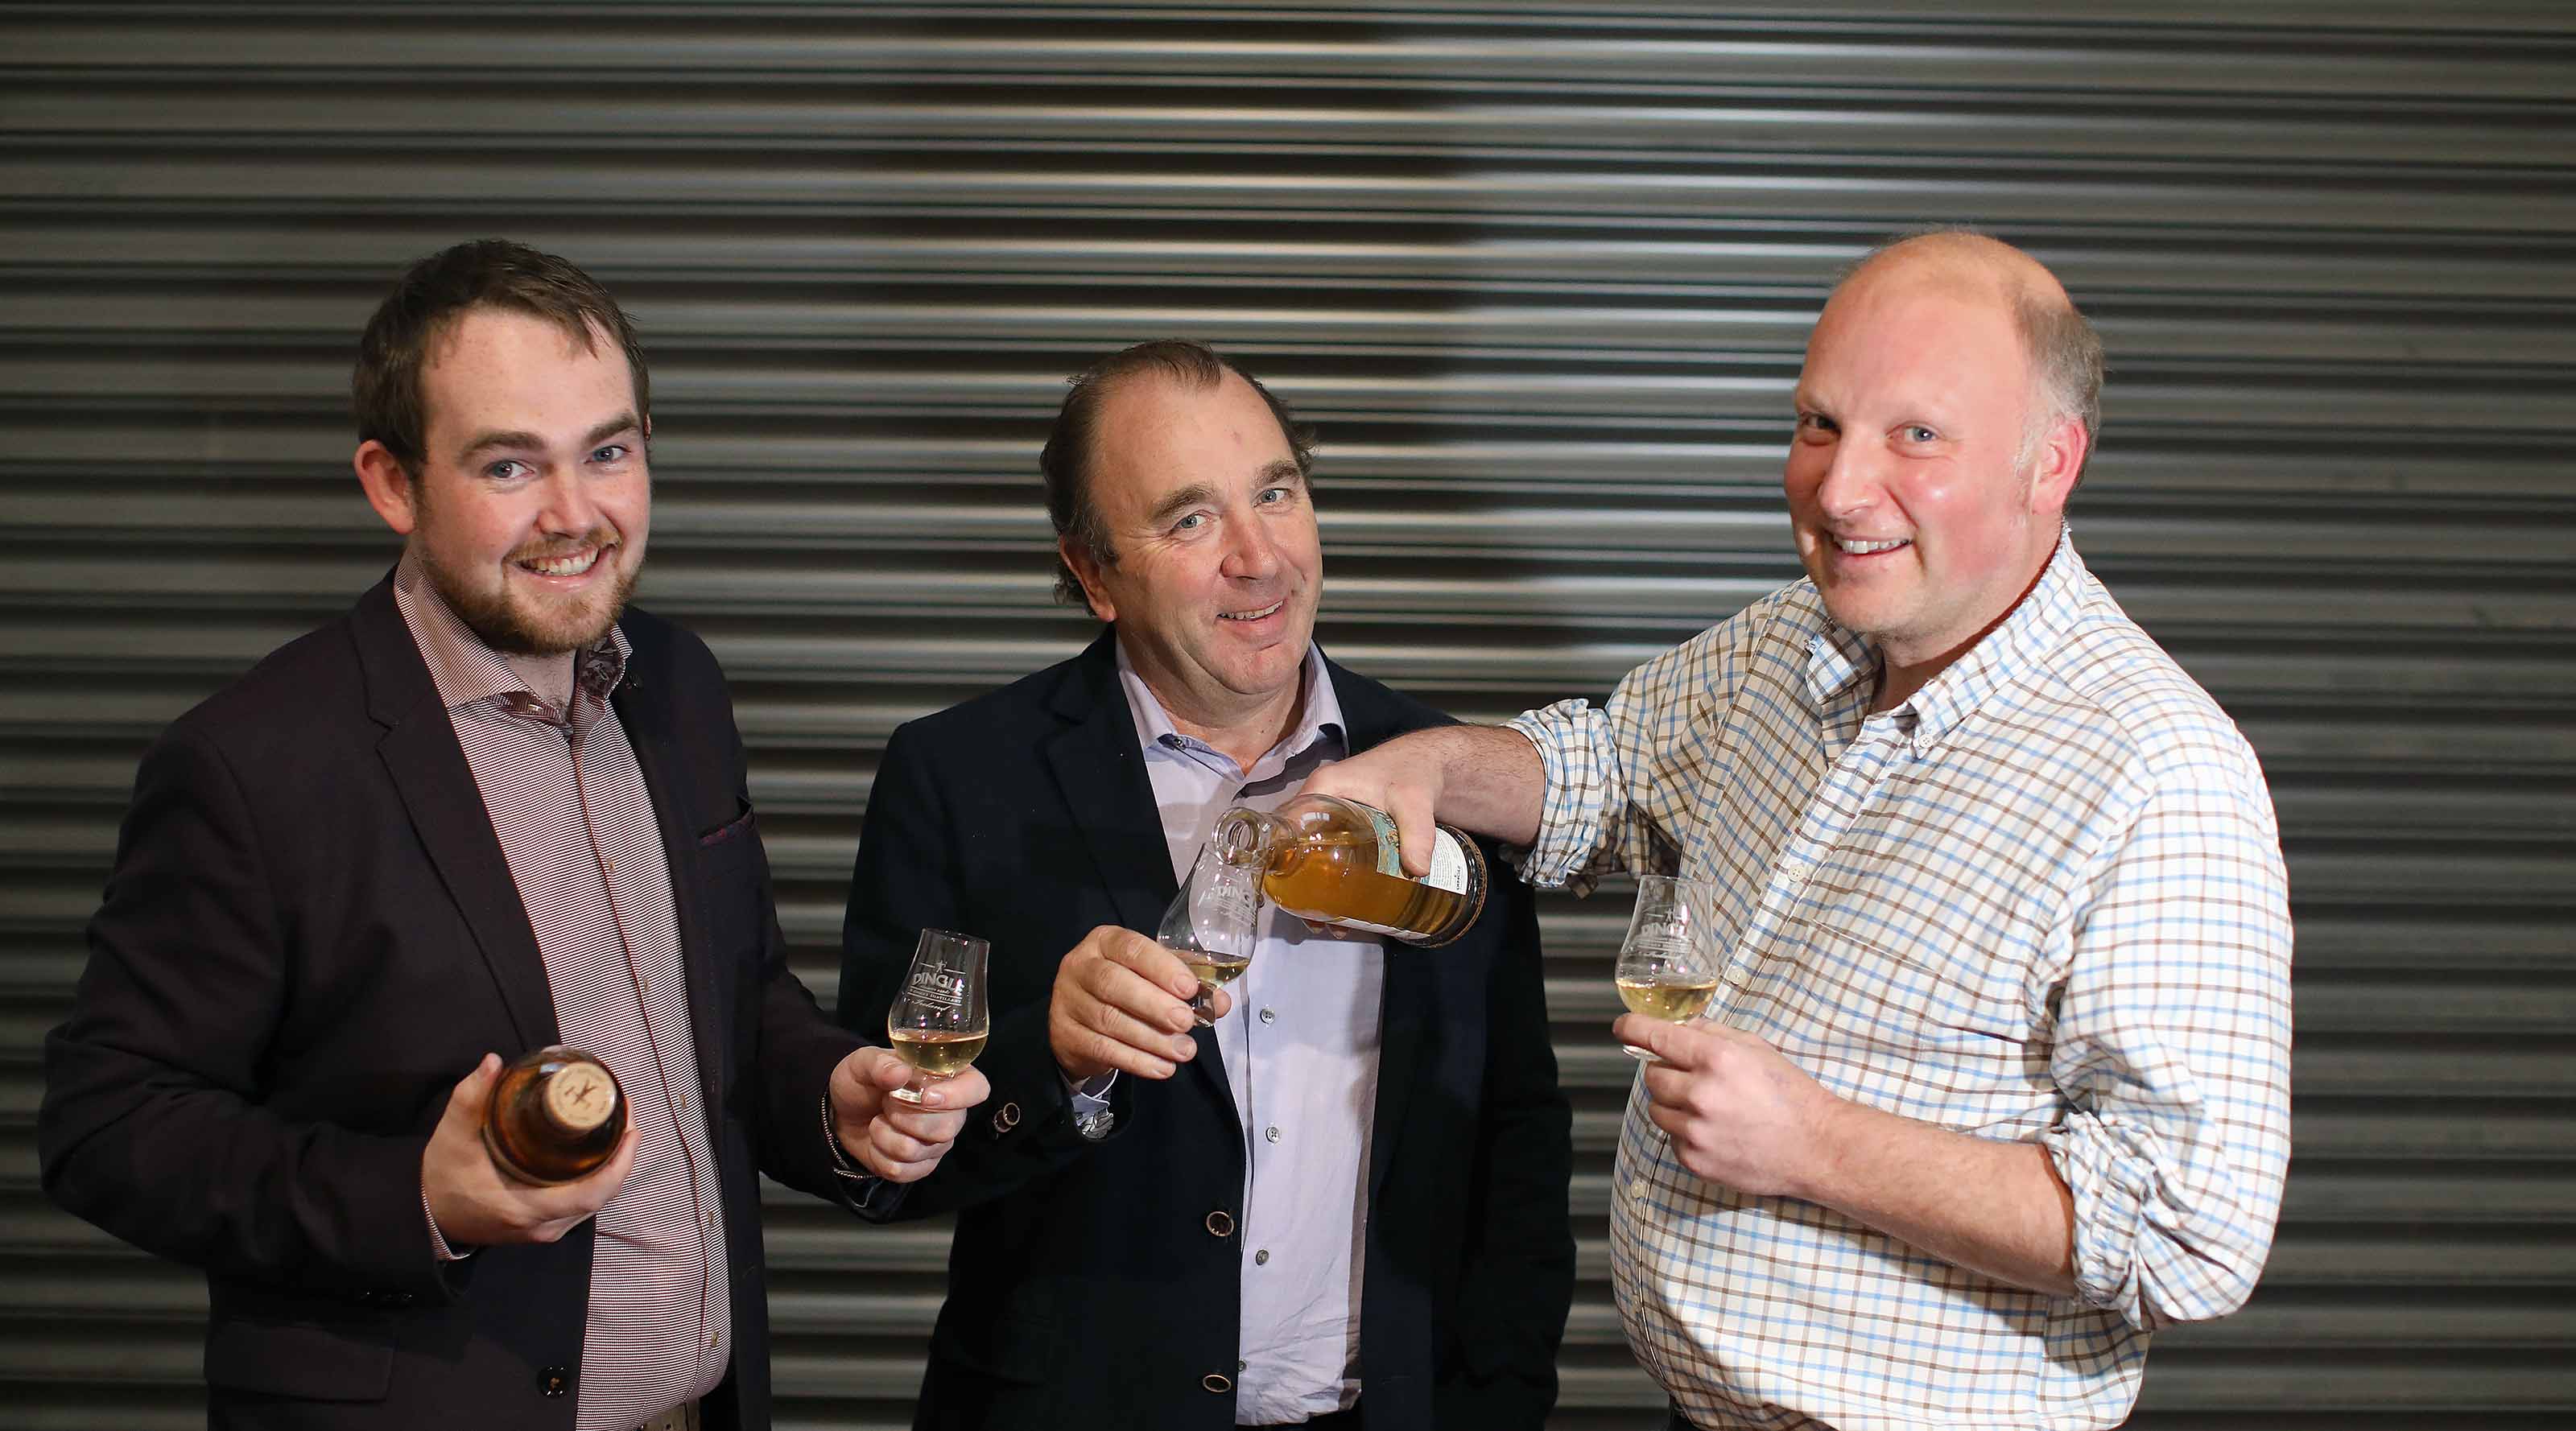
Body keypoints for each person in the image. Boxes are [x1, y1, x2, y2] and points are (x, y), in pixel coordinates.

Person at [1303, 230, 2295, 1429]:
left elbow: (2187, 1234)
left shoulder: (2158, 772)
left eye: (1914, 436)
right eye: (1819, 423)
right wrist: (1432, 760)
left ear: (2052, 463)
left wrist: (1813, 1140)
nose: (1836, 489)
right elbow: (1603, 766)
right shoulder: (1793, 641)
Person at [39, 238, 988, 1431]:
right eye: (509, 465)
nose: (575, 515)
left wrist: (831, 1101)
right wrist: (416, 1195)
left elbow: (734, 1001)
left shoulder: (679, 686)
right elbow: (108, 1125)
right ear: (393, 484)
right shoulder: (253, 763)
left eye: (609, 450)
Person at [836, 340, 1573, 1431]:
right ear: (1093, 575)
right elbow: (879, 1155)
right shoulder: (959, 777)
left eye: (1275, 493)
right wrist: (1055, 1058)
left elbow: (1517, 1137)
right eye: (1189, 520)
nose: (1258, 556)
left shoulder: (1442, 767)